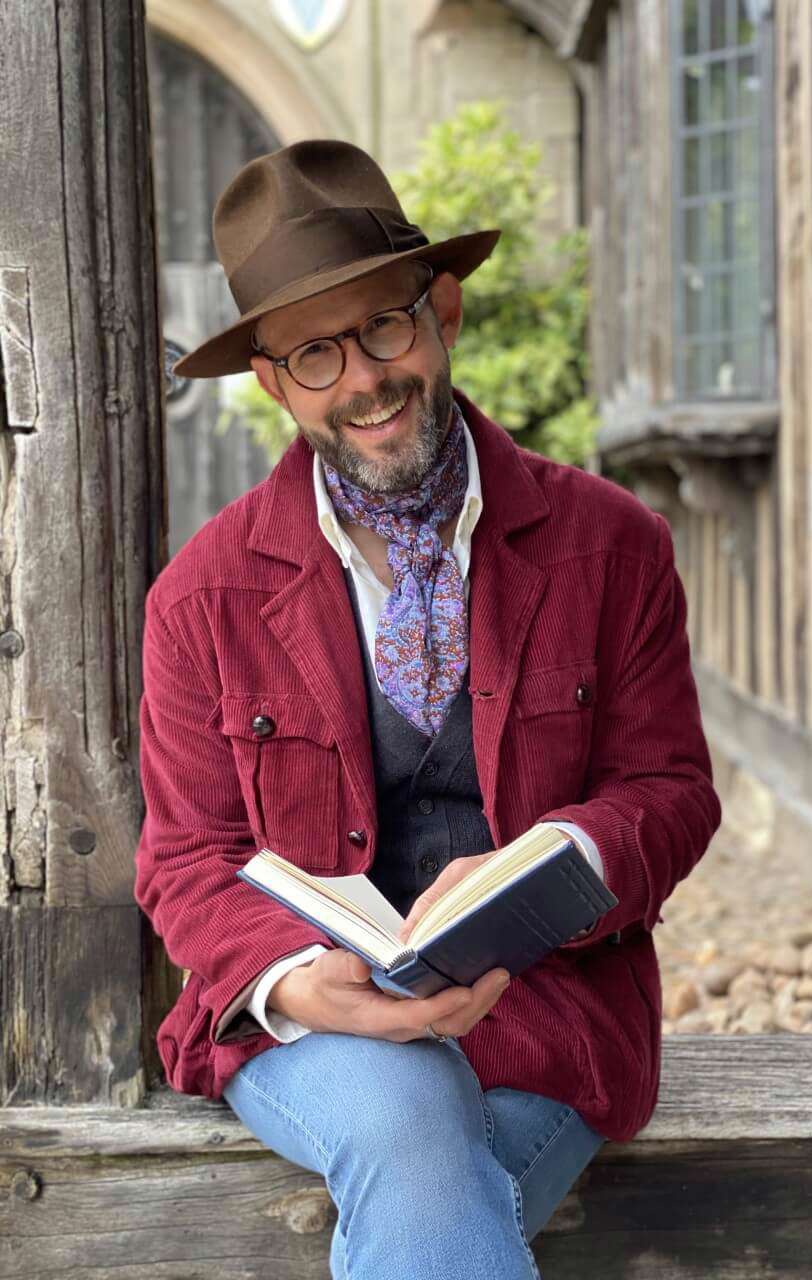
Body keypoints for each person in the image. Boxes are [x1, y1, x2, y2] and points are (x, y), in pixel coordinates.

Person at [134, 139, 722, 1279]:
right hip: (309, 1024)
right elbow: (185, 859)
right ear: (272, 381)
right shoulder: (198, 597)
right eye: (314, 354)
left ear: (441, 310)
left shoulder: (613, 545)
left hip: (549, 1008)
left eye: (384, 328)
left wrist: (555, 851)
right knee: (408, 1115)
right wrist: (300, 981)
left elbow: (673, 792)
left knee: (424, 1184)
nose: (362, 379)